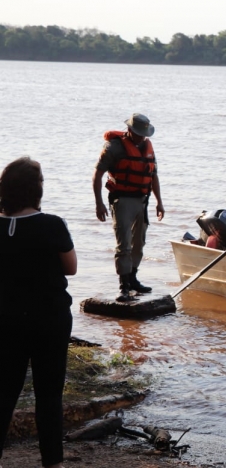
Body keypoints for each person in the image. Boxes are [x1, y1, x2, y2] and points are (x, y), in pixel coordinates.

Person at [0, 157, 77, 468]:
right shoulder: (52, 224)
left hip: (5, 318)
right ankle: (52, 463)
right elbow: (71, 268)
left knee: (4, 391)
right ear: (36, 190)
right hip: (50, 319)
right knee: (49, 394)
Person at [92, 113, 164, 301]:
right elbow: (97, 175)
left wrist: (159, 202)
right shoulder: (114, 147)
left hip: (142, 201)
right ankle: (123, 287)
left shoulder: (148, 147)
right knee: (123, 245)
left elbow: (153, 176)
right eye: (139, 133)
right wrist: (99, 203)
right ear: (130, 130)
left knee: (139, 244)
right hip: (122, 200)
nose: (142, 137)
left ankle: (132, 278)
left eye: (144, 133)